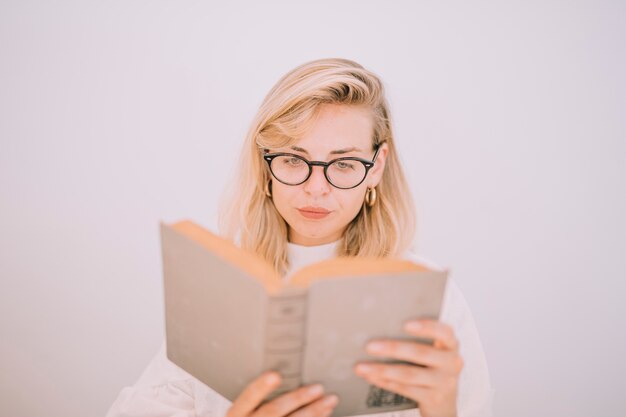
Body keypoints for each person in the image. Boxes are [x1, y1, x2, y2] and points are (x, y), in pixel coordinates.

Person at [105, 58, 494, 417]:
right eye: (294, 159)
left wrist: (443, 410)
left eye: (343, 164)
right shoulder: (221, 285)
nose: (316, 188)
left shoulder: (428, 297)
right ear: (265, 165)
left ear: (376, 167)